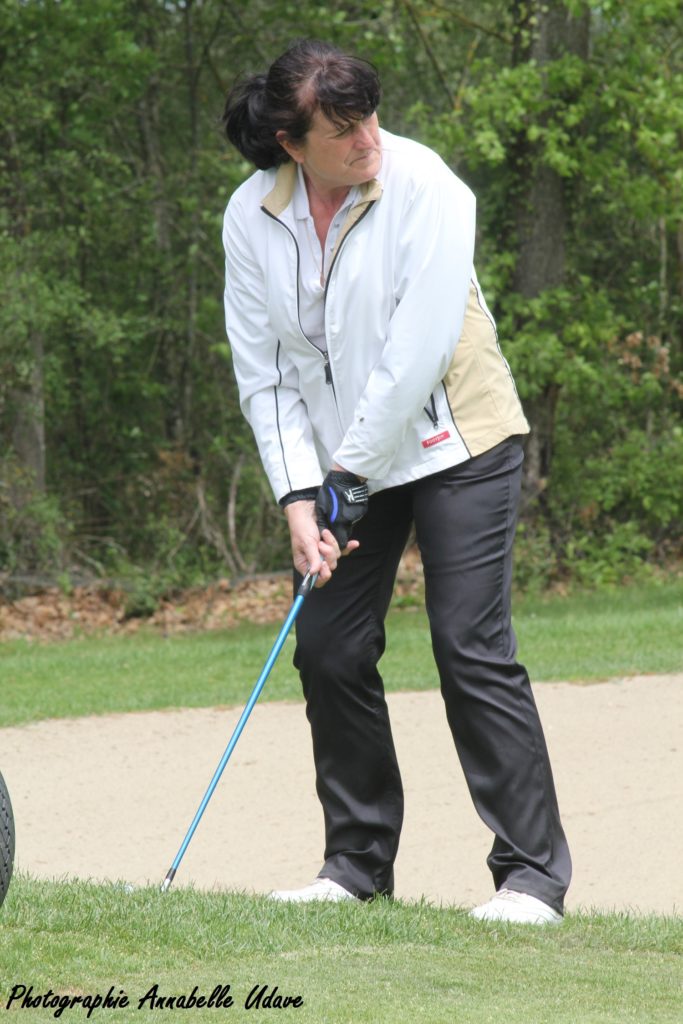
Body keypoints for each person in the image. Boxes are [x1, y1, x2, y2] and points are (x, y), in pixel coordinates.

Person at [221, 39, 571, 925]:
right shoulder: (250, 217)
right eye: (342, 131)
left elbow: (415, 355)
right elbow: (265, 374)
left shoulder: (428, 187)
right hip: (345, 463)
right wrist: (297, 499)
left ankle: (531, 877)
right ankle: (355, 866)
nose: (367, 139)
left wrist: (343, 480)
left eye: (369, 117)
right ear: (291, 144)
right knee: (327, 647)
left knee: (467, 644)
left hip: (460, 441)